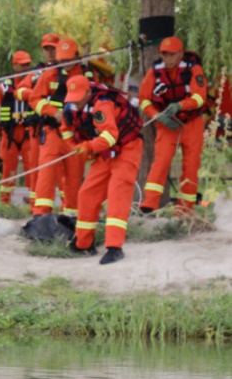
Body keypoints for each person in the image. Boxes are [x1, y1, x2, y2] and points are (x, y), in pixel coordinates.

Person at [63, 73, 143, 264]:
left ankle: (115, 247)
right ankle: (83, 244)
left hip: (127, 148)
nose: (77, 103)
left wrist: (88, 147)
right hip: (106, 153)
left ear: (89, 92)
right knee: (87, 193)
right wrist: (75, 146)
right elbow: (65, 129)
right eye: (73, 99)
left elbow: (111, 136)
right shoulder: (70, 107)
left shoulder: (102, 104)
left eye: (80, 98)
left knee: (118, 193)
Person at [139, 36, 209, 213]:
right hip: (167, 123)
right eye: (164, 54)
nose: (168, 58)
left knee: (191, 165)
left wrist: (180, 105)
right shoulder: (155, 71)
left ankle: (185, 211)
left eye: (172, 55)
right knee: (160, 162)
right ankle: (149, 205)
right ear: (160, 54)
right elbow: (144, 99)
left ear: (181, 54)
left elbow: (200, 96)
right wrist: (157, 116)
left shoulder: (193, 68)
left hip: (192, 122)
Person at [25, 37, 86, 217]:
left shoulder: (86, 76)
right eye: (62, 59)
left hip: (76, 135)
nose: (64, 63)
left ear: (76, 56)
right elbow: (34, 99)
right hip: (52, 133)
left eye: (68, 59)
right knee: (46, 175)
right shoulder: (50, 74)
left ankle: (72, 218)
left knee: (74, 179)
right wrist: (54, 112)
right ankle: (41, 216)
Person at [0, 50, 38, 205]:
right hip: (10, 132)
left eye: (27, 64)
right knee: (8, 166)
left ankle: (31, 201)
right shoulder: (4, 86)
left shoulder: (36, 82)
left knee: (31, 165)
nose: (26, 68)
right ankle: (5, 201)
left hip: (28, 130)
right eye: (22, 65)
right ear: (14, 66)